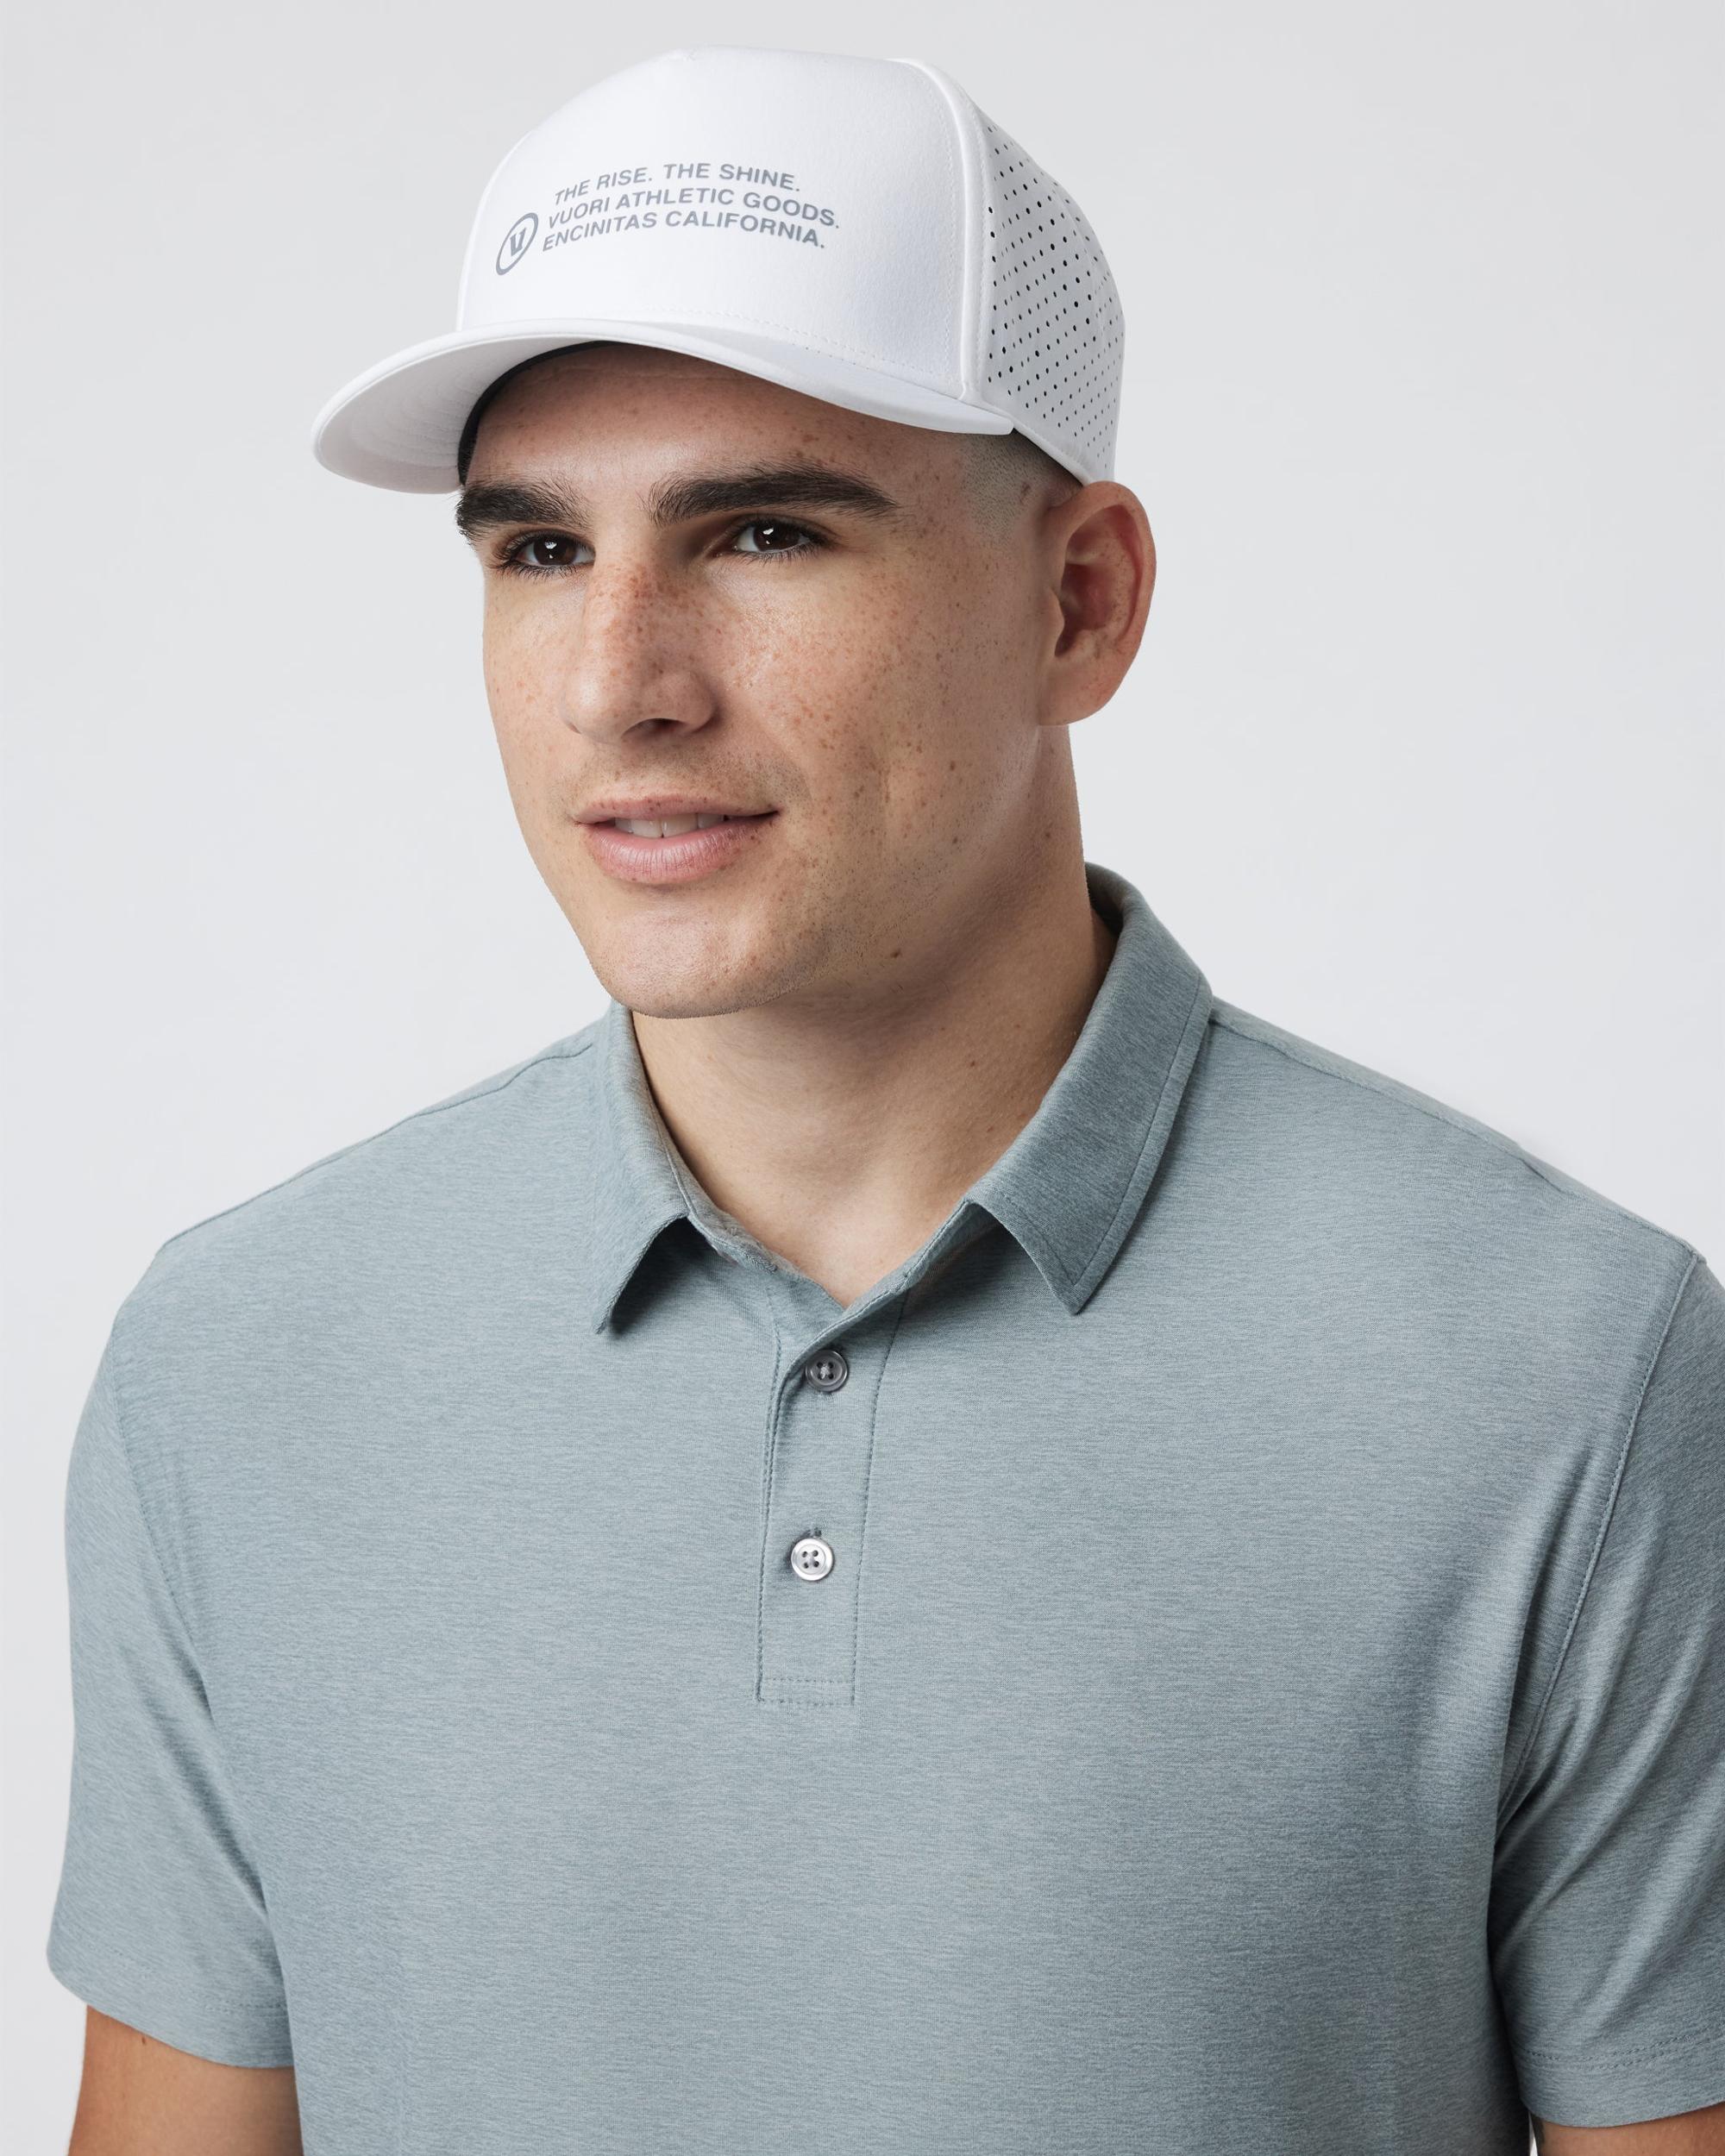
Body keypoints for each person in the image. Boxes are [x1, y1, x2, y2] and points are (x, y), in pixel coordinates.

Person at [45, 42, 1725, 2156]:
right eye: (539, 547)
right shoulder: (238, 1370)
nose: (618, 682)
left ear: (1079, 600)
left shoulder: (1559, 1369)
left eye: (763, 531)